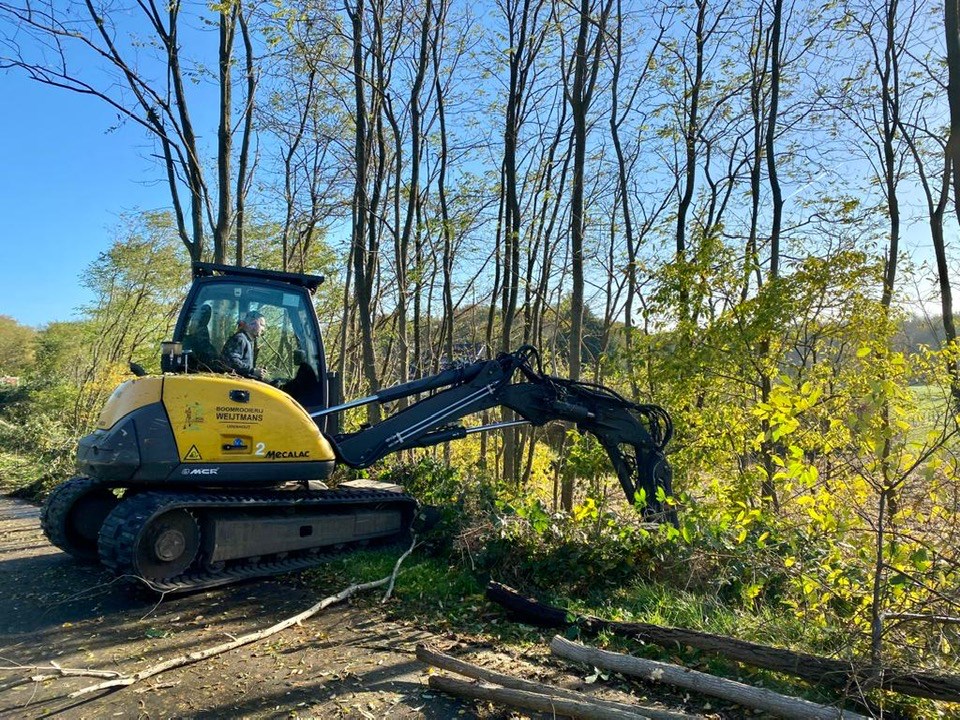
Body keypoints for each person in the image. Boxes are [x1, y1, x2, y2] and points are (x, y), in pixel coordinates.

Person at [221, 310, 270, 381]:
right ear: (252, 324)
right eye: (262, 325)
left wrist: (256, 371)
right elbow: (232, 361)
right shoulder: (239, 339)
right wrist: (252, 371)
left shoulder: (247, 340)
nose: (263, 329)